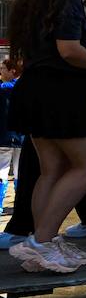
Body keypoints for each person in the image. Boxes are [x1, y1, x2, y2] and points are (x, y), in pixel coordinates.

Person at [4, 0, 86, 272]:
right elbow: (68, 49)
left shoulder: (34, 0)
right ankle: (42, 241)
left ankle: (42, 241)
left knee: (50, 169)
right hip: (61, 93)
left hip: (36, 90)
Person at [0, 59, 19, 213]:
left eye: (3, 69)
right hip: (22, 136)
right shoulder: (26, 87)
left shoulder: (2, 88)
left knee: (2, 171)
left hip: (4, 135)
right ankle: (20, 206)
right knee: (21, 172)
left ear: (12, 70)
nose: (1, 72)